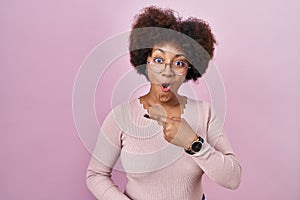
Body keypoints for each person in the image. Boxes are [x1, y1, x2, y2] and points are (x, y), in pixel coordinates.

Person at [86, 6, 242, 200]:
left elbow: (233, 179)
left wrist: (193, 143)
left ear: (189, 68)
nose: (167, 72)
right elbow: (96, 175)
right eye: (159, 59)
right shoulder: (121, 117)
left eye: (179, 63)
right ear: (146, 60)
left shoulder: (205, 113)